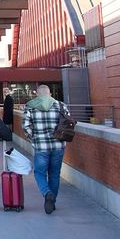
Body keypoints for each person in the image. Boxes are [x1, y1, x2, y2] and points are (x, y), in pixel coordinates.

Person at [22, 84, 70, 215]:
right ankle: (52, 202)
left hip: (41, 147)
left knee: (39, 173)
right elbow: (68, 123)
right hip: (58, 146)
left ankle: (46, 193)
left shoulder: (30, 106)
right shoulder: (61, 105)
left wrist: (34, 139)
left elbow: (26, 126)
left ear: (37, 94)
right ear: (49, 94)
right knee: (54, 175)